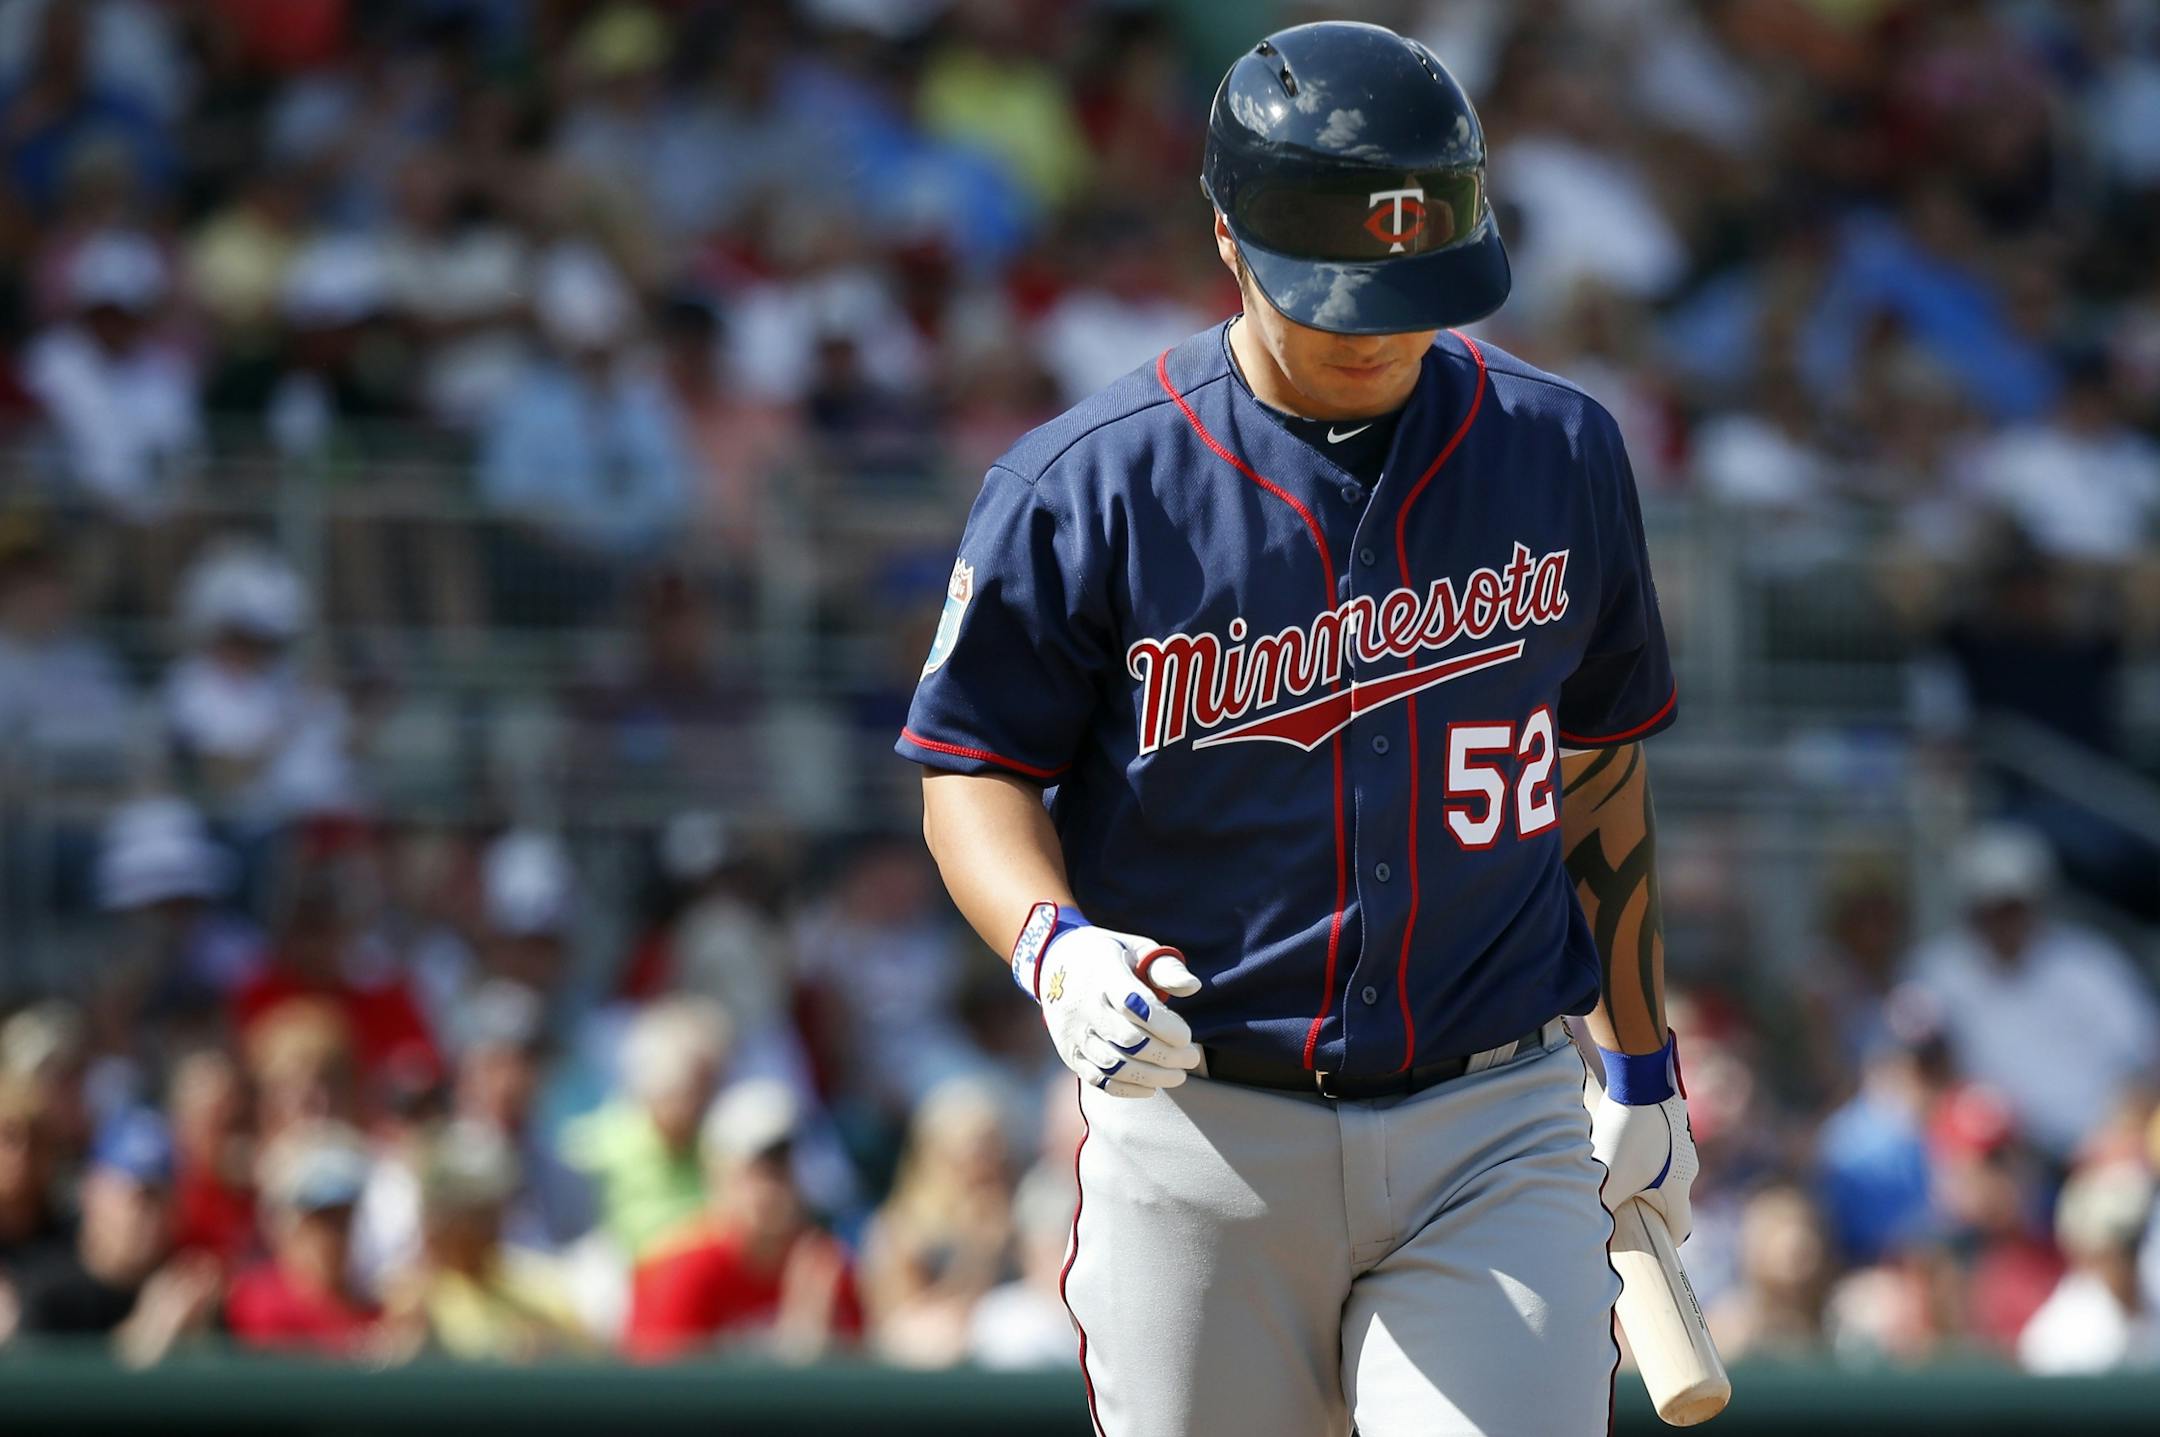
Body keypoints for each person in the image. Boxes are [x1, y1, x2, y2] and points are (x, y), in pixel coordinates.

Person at [901, 23, 1690, 1434]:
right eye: (1339, 294)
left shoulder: (1560, 448)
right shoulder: (1087, 483)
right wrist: (1052, 943)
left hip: (1493, 1122)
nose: (1379, 327)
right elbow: (972, 770)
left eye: (1416, 288)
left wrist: (1641, 1064)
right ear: (1228, 237)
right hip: (1204, 1127)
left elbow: (1596, 762)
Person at [1908, 824, 2160, 1161]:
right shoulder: (1937, 971)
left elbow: (2144, 1054)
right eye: (1989, 908)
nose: (2002, 921)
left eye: (2012, 907)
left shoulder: (2087, 963)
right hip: (1992, 1152)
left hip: (2098, 1148)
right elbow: (1916, 1068)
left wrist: (2119, 1132)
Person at [623, 1079, 860, 1362]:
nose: (773, 1186)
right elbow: (660, 1381)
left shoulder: (825, 1268)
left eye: (786, 1164)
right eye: (761, 1167)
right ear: (718, 1173)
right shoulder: (678, 1273)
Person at [223, 1121, 381, 1356]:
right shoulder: (257, 1302)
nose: (335, 1232)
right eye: (320, 1217)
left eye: (344, 1215)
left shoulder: (373, 1310)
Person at [2018, 1161, 2160, 1373]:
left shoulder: (2151, 1294)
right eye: (2122, 1245)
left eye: (2135, 1242)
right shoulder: (2058, 1336)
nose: (2127, 1259)